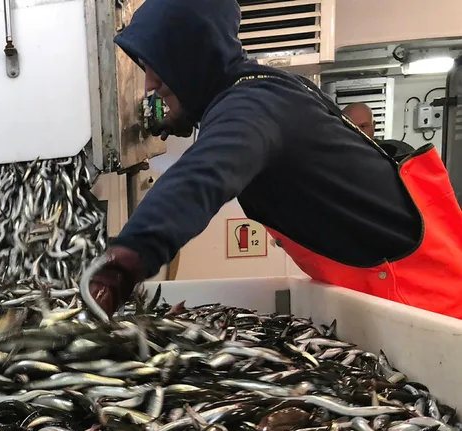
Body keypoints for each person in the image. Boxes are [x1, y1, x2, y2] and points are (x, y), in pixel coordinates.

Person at [87, 0, 462, 319]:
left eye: (159, 65)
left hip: (430, 305)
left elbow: (201, 177)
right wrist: (185, 114)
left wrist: (121, 266)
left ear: (190, 58)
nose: (150, 83)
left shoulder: (253, 105)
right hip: (394, 300)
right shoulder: (264, 89)